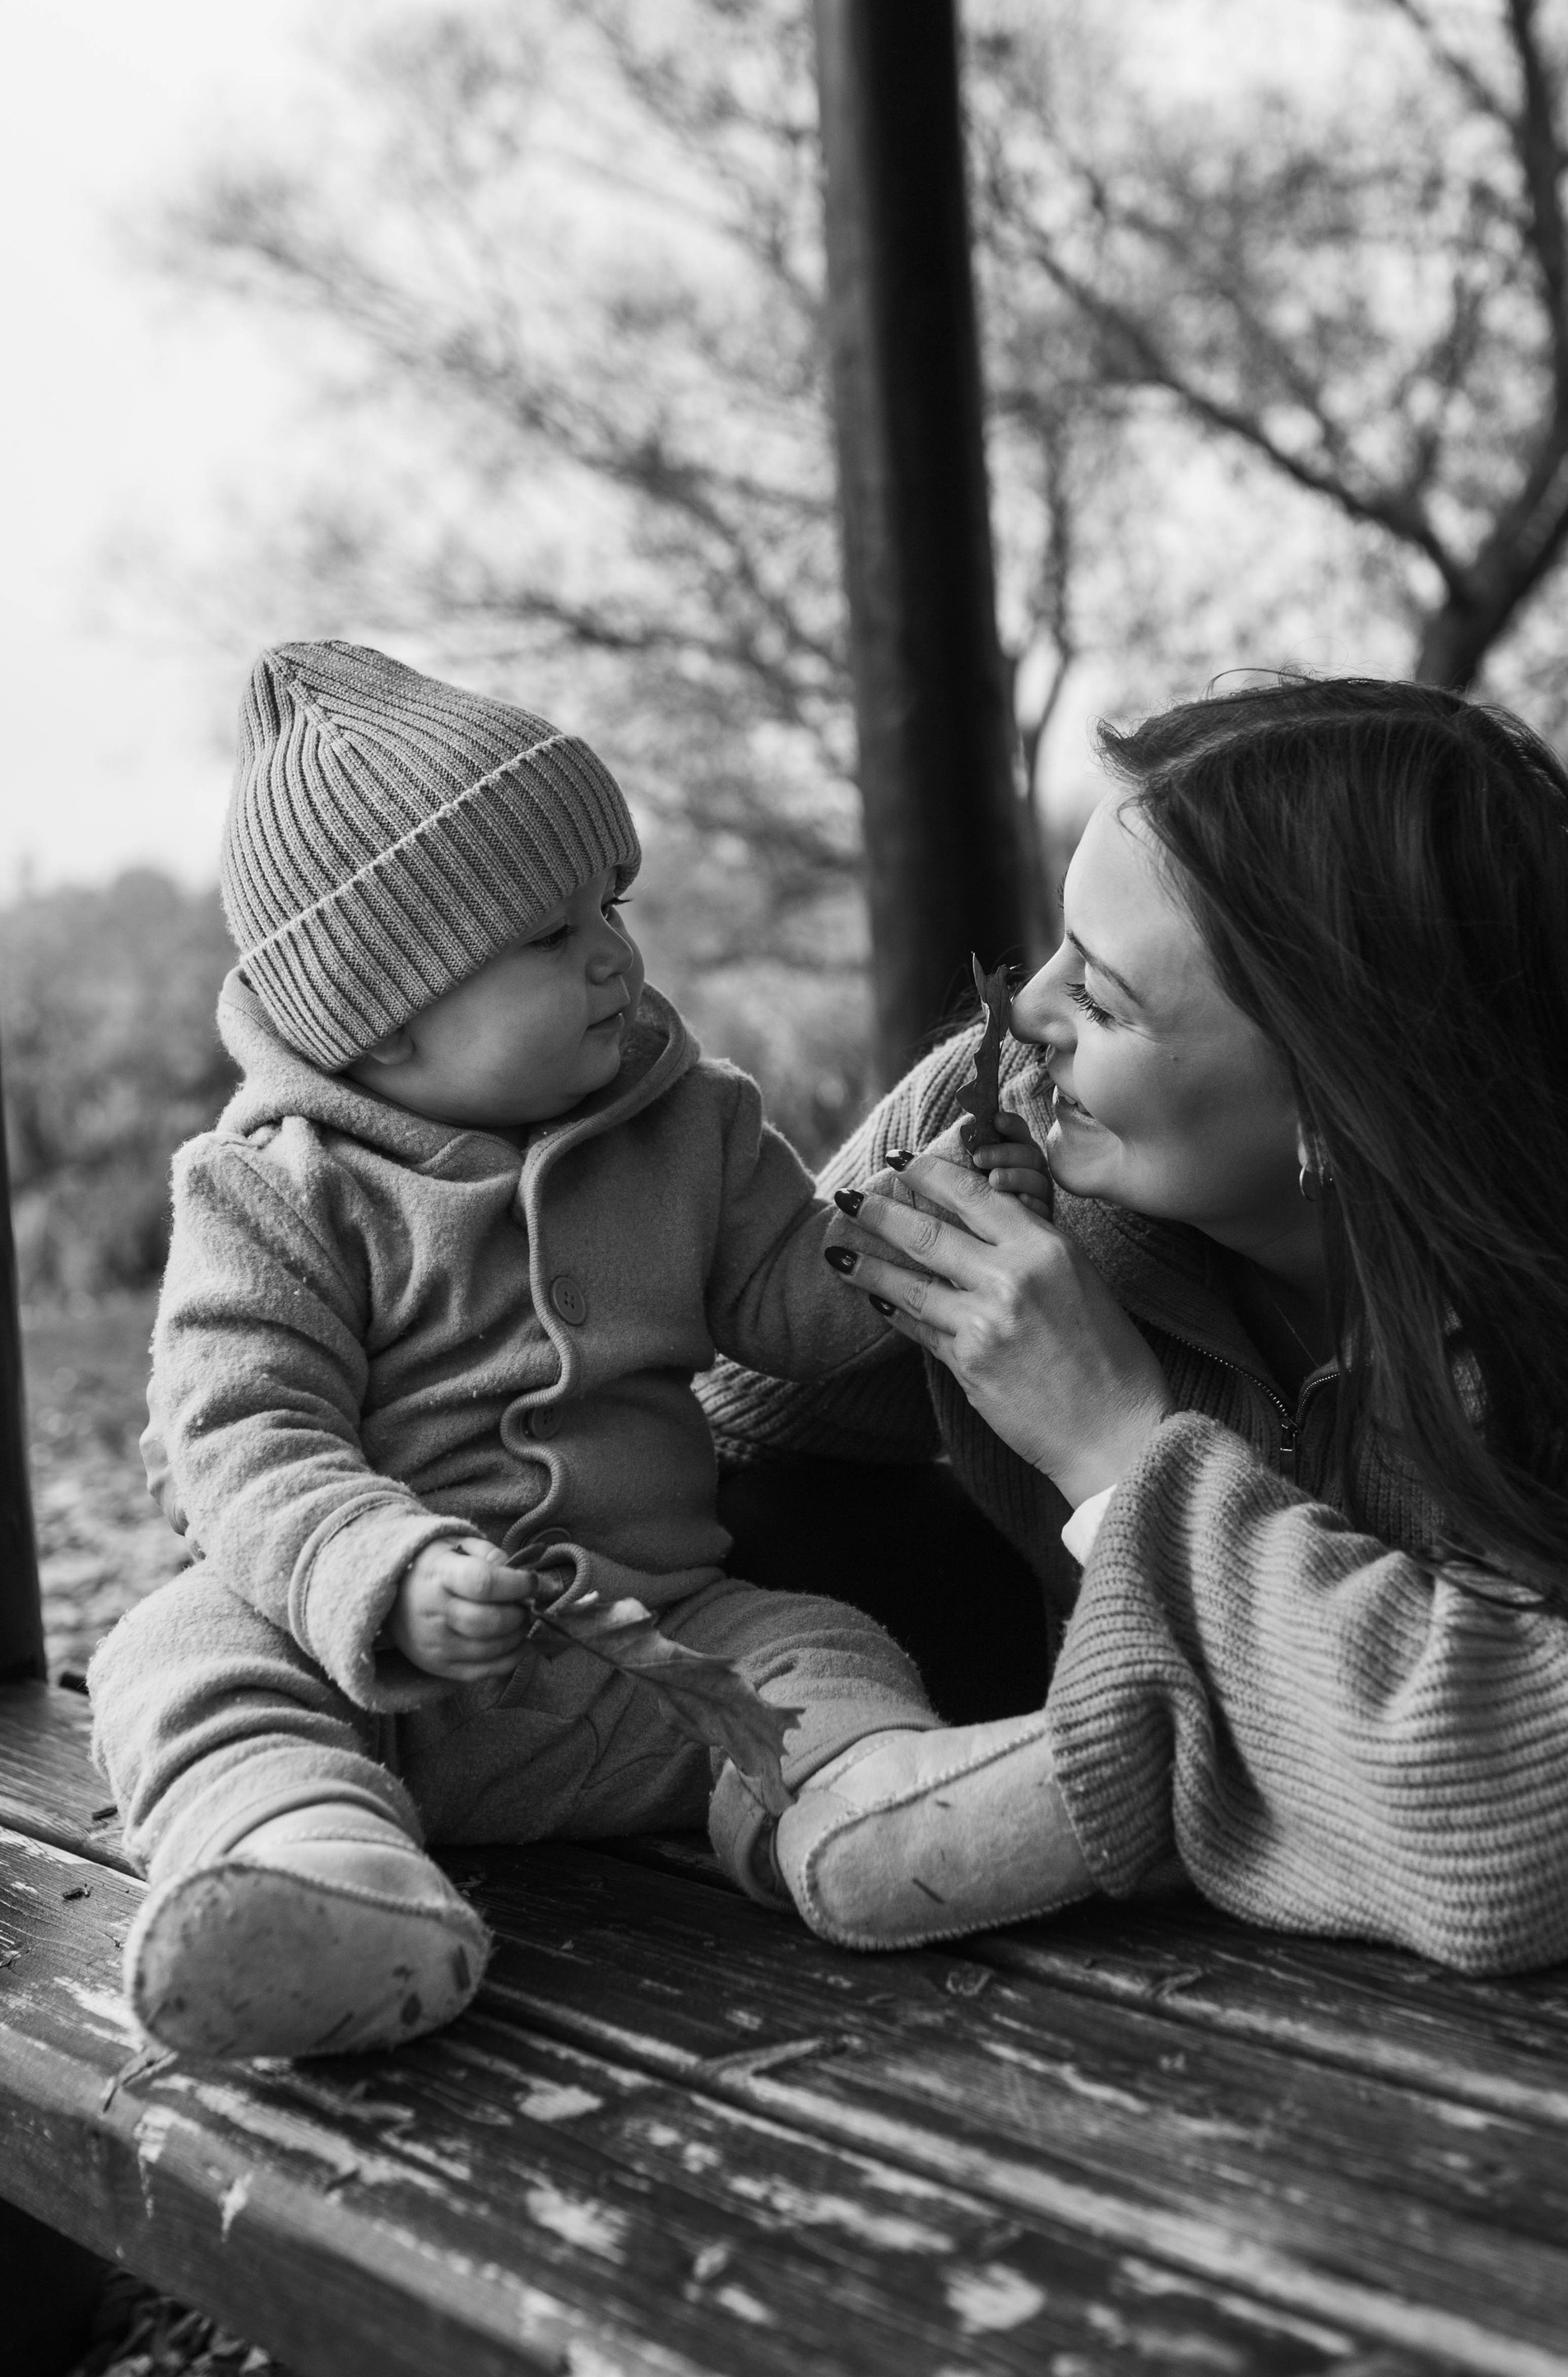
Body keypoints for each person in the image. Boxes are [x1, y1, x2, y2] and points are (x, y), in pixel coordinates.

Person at [707, 679, 1568, 2005]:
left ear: (1344, 1099)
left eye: (1102, 1000)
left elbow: (1514, 1836)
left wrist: (1116, 1443)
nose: (1026, 1010)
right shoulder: (1016, 1126)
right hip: (1220, 1968)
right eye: (1056, 943)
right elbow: (695, 1460)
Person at [90, 643, 935, 2061]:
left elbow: (802, 1304)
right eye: (548, 936)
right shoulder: (274, 1191)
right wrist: (383, 1571)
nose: (615, 951)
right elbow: (240, 1437)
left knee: (814, 1643)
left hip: (658, 1663)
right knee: (175, 1652)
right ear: (385, 1014)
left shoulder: (693, 1126)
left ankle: (876, 1815)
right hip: (366, 1690)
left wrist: (915, 1233)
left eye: (611, 902)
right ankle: (310, 1873)